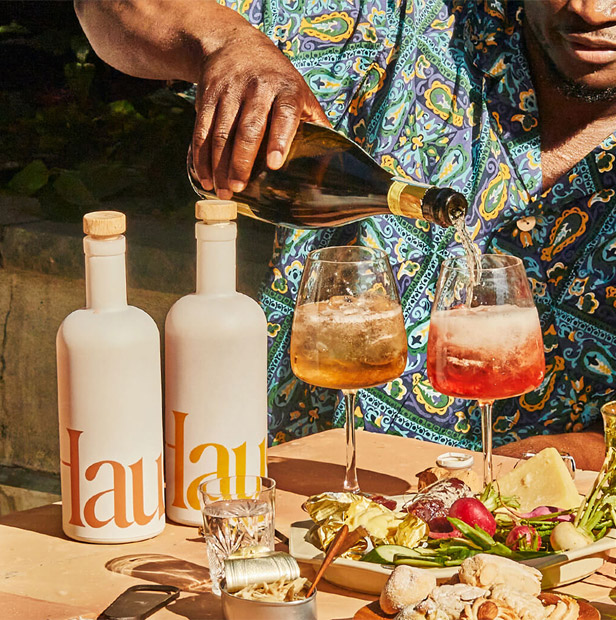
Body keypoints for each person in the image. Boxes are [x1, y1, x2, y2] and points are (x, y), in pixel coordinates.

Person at [74, 0, 615, 470]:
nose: (589, 10)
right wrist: (225, 44)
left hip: (549, 554)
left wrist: (525, 480)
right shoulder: (419, 27)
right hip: (296, 519)